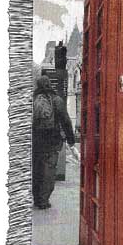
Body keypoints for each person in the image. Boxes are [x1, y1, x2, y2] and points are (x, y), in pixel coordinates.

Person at [32, 76, 75, 209]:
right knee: (49, 169)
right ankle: (44, 200)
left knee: (37, 169)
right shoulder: (56, 100)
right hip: (52, 139)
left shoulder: (33, 99)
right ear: (50, 84)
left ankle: (37, 198)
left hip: (36, 140)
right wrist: (71, 140)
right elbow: (66, 121)